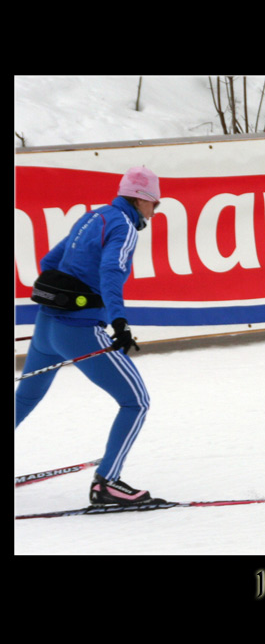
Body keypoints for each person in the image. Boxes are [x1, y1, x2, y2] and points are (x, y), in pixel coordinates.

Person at [16, 166, 161, 506]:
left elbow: (48, 261)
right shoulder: (124, 227)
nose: (155, 211)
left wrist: (68, 296)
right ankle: (107, 484)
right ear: (141, 199)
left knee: (24, 399)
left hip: (45, 327)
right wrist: (119, 323)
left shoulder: (94, 217)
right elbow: (111, 272)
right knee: (136, 401)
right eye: (155, 203)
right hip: (78, 332)